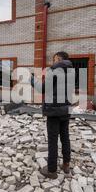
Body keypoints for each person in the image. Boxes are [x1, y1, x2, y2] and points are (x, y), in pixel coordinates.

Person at [32, 51, 73, 179]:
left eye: (54, 59)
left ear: (59, 59)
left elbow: (42, 88)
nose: (53, 61)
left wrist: (33, 80)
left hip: (54, 111)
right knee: (65, 137)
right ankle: (66, 165)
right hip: (65, 109)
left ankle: (51, 170)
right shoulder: (71, 71)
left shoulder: (54, 70)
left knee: (53, 141)